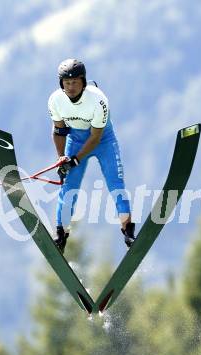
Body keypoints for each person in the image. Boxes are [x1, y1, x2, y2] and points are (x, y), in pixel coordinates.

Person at [48, 58, 135, 253]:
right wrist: (62, 159)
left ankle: (128, 230)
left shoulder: (98, 100)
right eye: (66, 83)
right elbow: (59, 131)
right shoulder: (55, 100)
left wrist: (76, 159)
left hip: (103, 140)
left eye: (75, 82)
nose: (70, 87)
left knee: (116, 184)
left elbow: (96, 137)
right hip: (75, 139)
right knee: (69, 188)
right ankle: (61, 233)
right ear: (61, 83)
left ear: (83, 82)